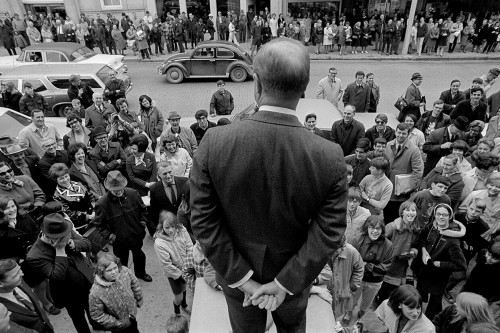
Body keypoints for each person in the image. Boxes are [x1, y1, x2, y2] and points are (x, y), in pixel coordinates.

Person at [190, 38, 348, 332]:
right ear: (304, 88)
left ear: (257, 83)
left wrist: (243, 280)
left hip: (237, 282)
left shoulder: (214, 142)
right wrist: (283, 283)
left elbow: (202, 220)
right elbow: (329, 232)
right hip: (292, 282)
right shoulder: (329, 156)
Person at [25, 213, 97, 333]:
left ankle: (96, 324)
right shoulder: (35, 256)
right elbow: (57, 276)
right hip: (68, 292)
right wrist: (60, 250)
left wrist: (73, 243)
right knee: (77, 316)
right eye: (60, 237)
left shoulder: (65, 230)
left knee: (91, 306)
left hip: (85, 279)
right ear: (48, 236)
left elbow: (87, 244)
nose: (65, 237)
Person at [410, 203, 467, 320]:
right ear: (435, 215)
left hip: (439, 275)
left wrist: (439, 264)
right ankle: (417, 316)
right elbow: (421, 238)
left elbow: (461, 265)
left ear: (450, 216)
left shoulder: (453, 240)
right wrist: (424, 250)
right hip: (425, 270)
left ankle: (431, 322)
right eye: (438, 214)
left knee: (435, 300)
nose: (441, 217)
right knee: (420, 294)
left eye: (445, 215)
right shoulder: (432, 226)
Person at [94, 171, 152, 283]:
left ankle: (141, 273)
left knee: (139, 255)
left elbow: (144, 210)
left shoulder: (133, 193)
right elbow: (99, 224)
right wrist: (110, 236)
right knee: (121, 261)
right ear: (109, 188)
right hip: (119, 240)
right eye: (115, 189)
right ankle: (124, 278)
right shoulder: (102, 203)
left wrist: (142, 224)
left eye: (121, 188)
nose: (119, 191)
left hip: (136, 235)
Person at [345, 216, 394, 323]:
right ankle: (348, 313)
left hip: (375, 281)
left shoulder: (388, 245)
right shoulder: (357, 240)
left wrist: (367, 265)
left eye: (378, 229)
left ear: (382, 230)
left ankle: (362, 314)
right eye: (372, 228)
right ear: (367, 228)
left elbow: (387, 266)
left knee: (367, 302)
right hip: (357, 278)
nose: (375, 231)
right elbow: (349, 259)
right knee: (352, 298)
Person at [89, 253, 143, 333]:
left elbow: (135, 284)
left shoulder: (125, 272)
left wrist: (139, 298)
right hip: (119, 327)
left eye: (115, 268)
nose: (114, 272)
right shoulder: (96, 292)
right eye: (109, 270)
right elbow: (97, 314)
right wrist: (117, 323)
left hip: (132, 316)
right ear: (101, 272)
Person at [376, 201, 419, 302]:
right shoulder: (392, 227)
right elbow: (379, 243)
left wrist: (413, 252)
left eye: (413, 210)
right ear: (402, 213)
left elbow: (416, 245)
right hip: (389, 267)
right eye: (407, 210)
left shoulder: (415, 229)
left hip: (403, 267)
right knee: (384, 293)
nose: (411, 213)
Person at [383, 123, 424, 223]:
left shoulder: (414, 149)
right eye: (399, 133)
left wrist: (412, 187)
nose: (400, 135)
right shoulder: (388, 145)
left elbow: (417, 170)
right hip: (388, 189)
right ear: (395, 132)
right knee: (387, 217)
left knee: (400, 219)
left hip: (403, 192)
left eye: (404, 133)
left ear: (408, 134)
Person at [154, 210, 192, 315]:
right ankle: (177, 312)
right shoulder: (159, 243)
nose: (171, 230)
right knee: (178, 296)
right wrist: (182, 274)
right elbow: (166, 265)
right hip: (173, 274)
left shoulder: (182, 230)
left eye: (173, 226)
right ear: (161, 226)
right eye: (167, 227)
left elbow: (189, 247)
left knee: (184, 288)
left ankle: (184, 305)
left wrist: (188, 266)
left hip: (186, 268)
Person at [0, 259, 54, 333]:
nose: (22, 274)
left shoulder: (19, 281)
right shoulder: (1, 309)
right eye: (15, 275)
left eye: (20, 270)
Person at [320, 235, 364, 322]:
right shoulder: (319, 249)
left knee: (336, 319)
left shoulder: (352, 252)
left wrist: (352, 287)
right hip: (323, 293)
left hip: (342, 296)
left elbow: (359, 268)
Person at [49, 163, 94, 233]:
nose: (65, 180)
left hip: (95, 217)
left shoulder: (78, 184)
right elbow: (69, 214)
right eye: (61, 178)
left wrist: (95, 210)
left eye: (66, 176)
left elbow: (91, 197)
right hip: (82, 226)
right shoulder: (57, 196)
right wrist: (89, 217)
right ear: (56, 180)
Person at [0, 196, 39, 261]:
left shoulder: (25, 216)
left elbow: (36, 230)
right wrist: (18, 259)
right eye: (7, 208)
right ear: (1, 210)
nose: (12, 210)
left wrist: (34, 247)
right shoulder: (1, 229)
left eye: (13, 206)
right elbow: (3, 253)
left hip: (36, 250)